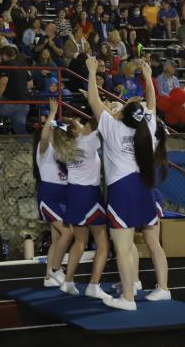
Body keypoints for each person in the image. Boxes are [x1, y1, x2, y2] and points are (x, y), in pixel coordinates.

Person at [84, 56, 170, 310]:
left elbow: (93, 100)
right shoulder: (147, 127)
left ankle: (129, 298)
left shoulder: (113, 128)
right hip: (144, 186)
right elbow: (152, 104)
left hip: (122, 189)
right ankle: (149, 287)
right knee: (139, 244)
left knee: (122, 246)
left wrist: (91, 72)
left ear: (124, 114)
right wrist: (148, 78)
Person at [58, 110, 110, 300]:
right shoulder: (88, 141)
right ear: (74, 130)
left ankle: (68, 281)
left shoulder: (63, 147)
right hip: (89, 194)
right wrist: (105, 106)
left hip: (72, 193)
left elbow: (92, 125)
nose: (81, 124)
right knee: (103, 244)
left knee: (79, 241)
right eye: (77, 122)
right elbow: (99, 120)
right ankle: (94, 285)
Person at [35, 98, 74, 290]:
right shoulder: (44, 149)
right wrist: (51, 116)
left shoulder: (63, 152)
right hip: (49, 196)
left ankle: (48, 276)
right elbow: (43, 137)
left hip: (64, 197)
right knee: (68, 232)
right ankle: (55, 270)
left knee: (58, 238)